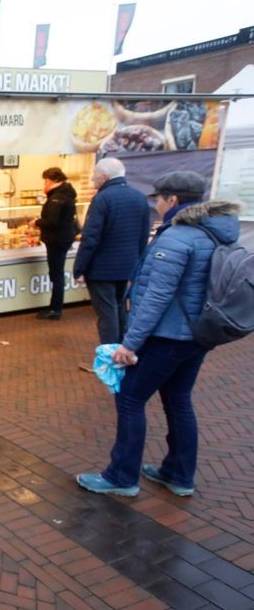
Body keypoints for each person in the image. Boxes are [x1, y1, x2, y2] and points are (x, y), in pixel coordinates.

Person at [76, 171, 240, 498]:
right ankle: (178, 474)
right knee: (178, 400)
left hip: (168, 336)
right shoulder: (217, 233)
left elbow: (155, 296)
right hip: (198, 334)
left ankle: (121, 476)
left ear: (173, 200)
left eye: (160, 199)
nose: (158, 205)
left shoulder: (178, 237)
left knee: (130, 398)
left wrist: (130, 343)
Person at [73, 158, 151, 363]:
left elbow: (90, 238)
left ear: (104, 176)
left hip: (101, 269)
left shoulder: (102, 199)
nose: (92, 179)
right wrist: (136, 263)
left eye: (94, 175)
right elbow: (143, 236)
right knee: (119, 310)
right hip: (126, 266)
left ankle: (109, 359)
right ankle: (123, 353)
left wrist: (79, 268)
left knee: (106, 315)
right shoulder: (139, 198)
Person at [33, 167, 78, 320]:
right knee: (57, 273)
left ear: (53, 181)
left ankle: (55, 309)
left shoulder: (58, 197)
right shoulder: (66, 194)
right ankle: (55, 306)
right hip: (63, 238)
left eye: (46, 180)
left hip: (57, 240)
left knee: (56, 273)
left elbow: (52, 221)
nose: (44, 184)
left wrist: (37, 222)